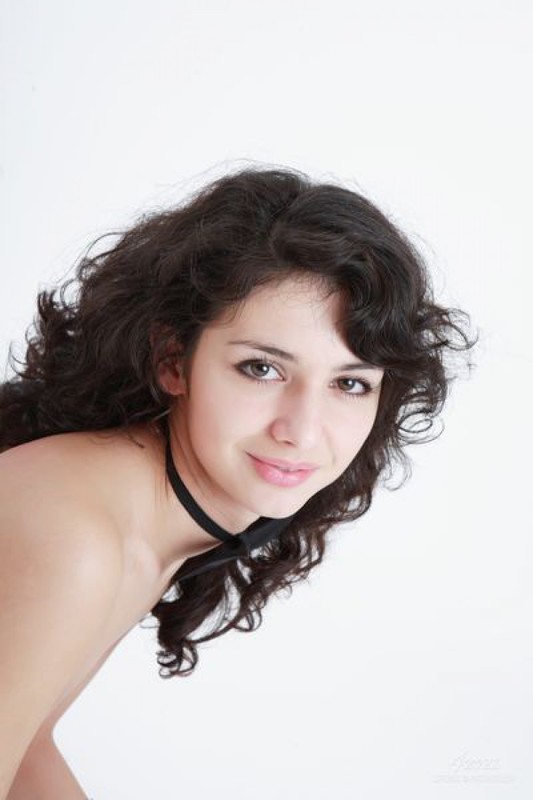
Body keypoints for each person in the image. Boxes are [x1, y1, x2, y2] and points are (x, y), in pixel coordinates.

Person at [0, 166, 476, 797]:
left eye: (349, 383)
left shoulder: (142, 516)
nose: (302, 431)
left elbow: (26, 745)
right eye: (261, 369)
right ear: (173, 360)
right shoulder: (75, 535)